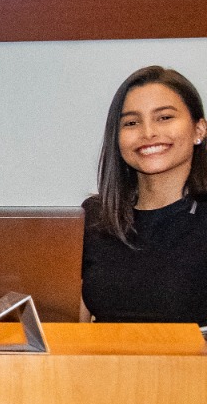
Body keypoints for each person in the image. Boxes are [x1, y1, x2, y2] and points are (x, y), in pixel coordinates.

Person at [82, 65, 207, 326]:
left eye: (164, 118)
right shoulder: (95, 217)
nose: (148, 133)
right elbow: (69, 327)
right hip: (102, 365)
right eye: (131, 122)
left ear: (199, 130)